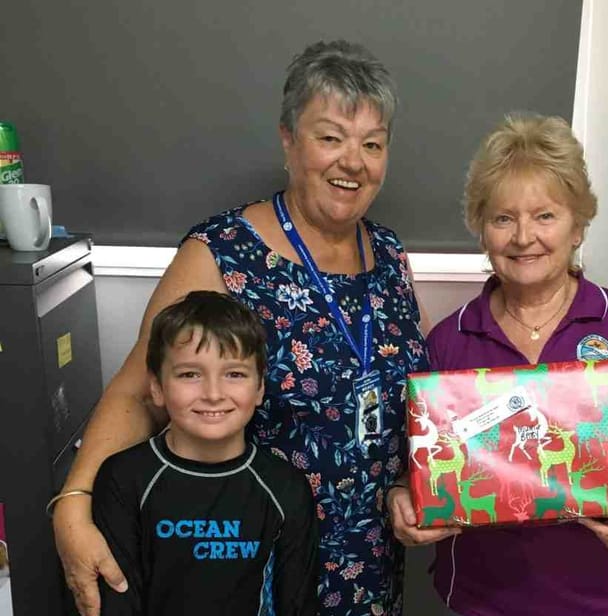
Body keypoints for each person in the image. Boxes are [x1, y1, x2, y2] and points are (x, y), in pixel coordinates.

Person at [51, 40, 435, 616]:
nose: (352, 162)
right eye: (330, 137)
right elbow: (140, 389)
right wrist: (74, 500)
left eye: (372, 144)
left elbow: (415, 399)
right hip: (248, 562)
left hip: (372, 564)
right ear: (288, 139)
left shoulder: (388, 254)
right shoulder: (222, 253)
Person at [387, 114, 608, 616]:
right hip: (481, 601)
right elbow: (421, 465)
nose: (524, 236)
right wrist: (403, 497)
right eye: (503, 218)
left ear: (578, 225)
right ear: (483, 231)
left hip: (604, 601)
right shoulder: (448, 341)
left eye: (545, 215)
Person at [92, 291, 318, 615]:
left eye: (235, 374)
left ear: (259, 388)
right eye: (190, 375)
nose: (213, 394)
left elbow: (298, 606)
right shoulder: (124, 480)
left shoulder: (286, 489)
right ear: (156, 386)